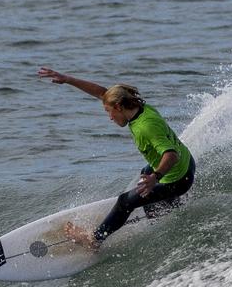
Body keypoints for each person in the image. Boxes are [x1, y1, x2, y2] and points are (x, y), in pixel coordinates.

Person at [38, 67, 195, 249]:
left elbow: (171, 155)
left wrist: (156, 178)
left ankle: (94, 241)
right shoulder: (139, 108)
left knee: (125, 202)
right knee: (145, 171)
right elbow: (102, 93)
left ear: (119, 106)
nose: (110, 117)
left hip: (179, 179)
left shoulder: (146, 127)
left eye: (109, 112)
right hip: (187, 161)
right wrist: (67, 79)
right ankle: (167, 204)